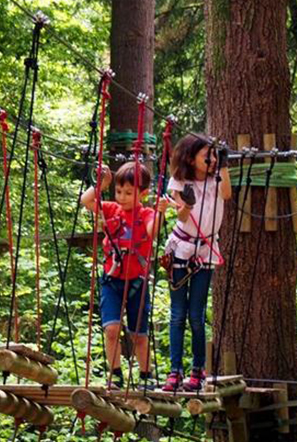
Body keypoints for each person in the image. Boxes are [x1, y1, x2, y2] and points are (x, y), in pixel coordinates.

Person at [80, 161, 170, 389]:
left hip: (136, 284)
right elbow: (86, 201)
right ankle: (116, 375)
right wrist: (101, 184)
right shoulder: (111, 209)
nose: (122, 197)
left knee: (138, 335)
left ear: (143, 193)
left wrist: (160, 212)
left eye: (129, 193)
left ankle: (146, 374)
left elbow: (152, 230)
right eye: (119, 191)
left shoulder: (146, 213)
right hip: (111, 281)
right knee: (111, 330)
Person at [161, 135, 232, 392]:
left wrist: (223, 164)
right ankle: (174, 371)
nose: (211, 160)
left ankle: (197, 370)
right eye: (207, 156)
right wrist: (188, 204)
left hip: (207, 250)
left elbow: (227, 193)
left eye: (213, 155)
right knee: (178, 314)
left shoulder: (217, 179)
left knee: (197, 315)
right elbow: (180, 214)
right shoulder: (180, 181)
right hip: (182, 247)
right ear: (192, 158)